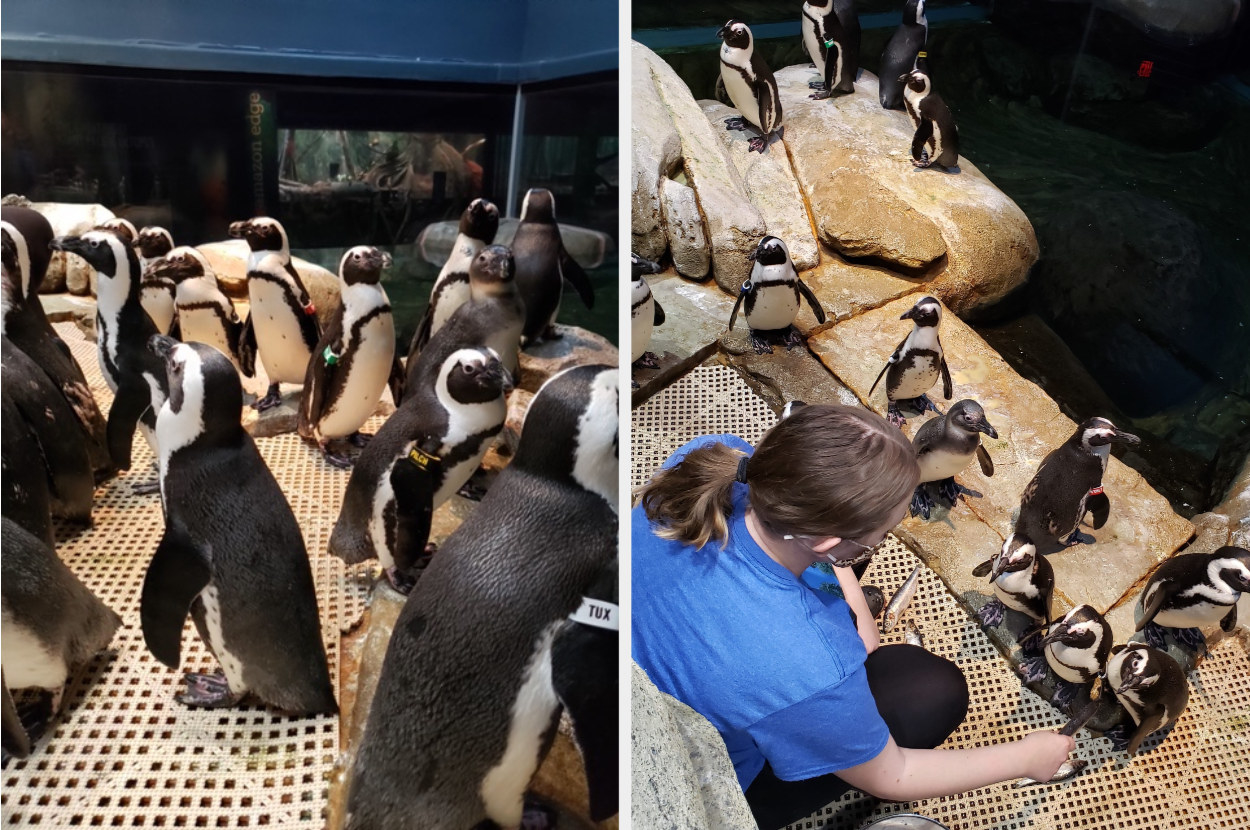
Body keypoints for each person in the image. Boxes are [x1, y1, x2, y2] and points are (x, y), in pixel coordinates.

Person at [632, 404, 1075, 829]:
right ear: (827, 542)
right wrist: (1026, 758)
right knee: (931, 689)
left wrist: (855, 603)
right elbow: (892, 774)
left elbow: (805, 547)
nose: (876, 546)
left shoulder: (710, 461)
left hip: (625, 712)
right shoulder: (813, 664)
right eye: (877, 538)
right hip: (683, 790)